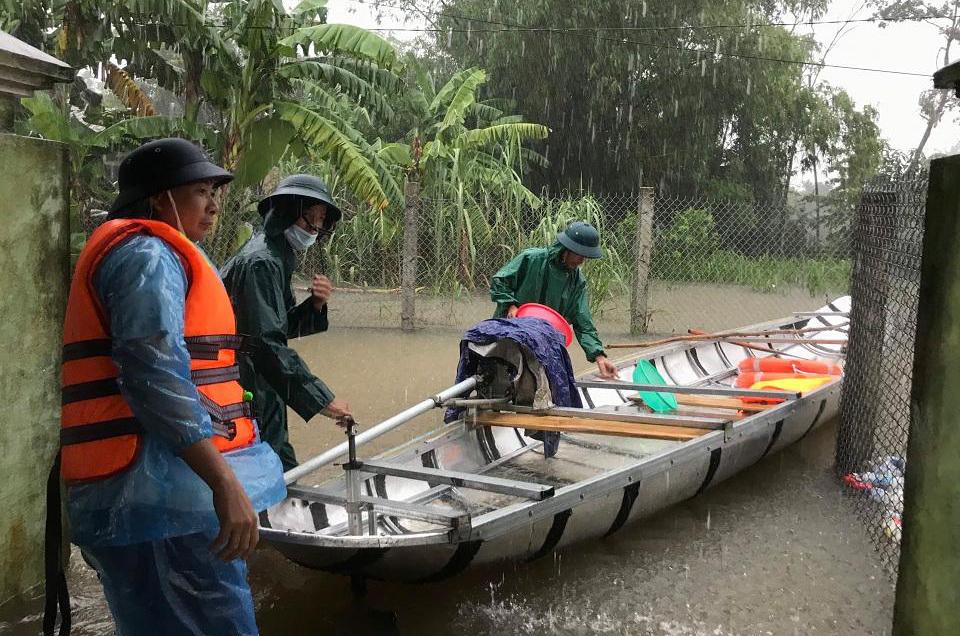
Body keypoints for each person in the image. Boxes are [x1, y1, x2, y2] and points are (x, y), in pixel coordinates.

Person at [55, 138, 286, 635]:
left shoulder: (149, 253)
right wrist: (222, 481)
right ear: (160, 198)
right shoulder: (147, 256)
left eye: (215, 191)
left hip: (152, 492)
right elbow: (152, 372)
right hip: (155, 495)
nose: (214, 204)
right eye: (200, 190)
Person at [221, 174, 352, 472]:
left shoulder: (276, 255)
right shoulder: (261, 261)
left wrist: (315, 307)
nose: (315, 230)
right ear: (287, 212)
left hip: (263, 382)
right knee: (265, 464)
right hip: (246, 384)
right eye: (311, 219)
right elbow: (265, 342)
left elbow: (275, 325)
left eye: (321, 222)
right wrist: (322, 400)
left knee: (279, 463)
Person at [490, 221, 619, 379]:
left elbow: (583, 322)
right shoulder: (531, 259)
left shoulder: (577, 282)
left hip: (543, 342)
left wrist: (599, 357)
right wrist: (511, 305)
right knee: (498, 375)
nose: (582, 261)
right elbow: (499, 281)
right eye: (579, 254)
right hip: (510, 331)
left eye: (585, 256)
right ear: (567, 249)